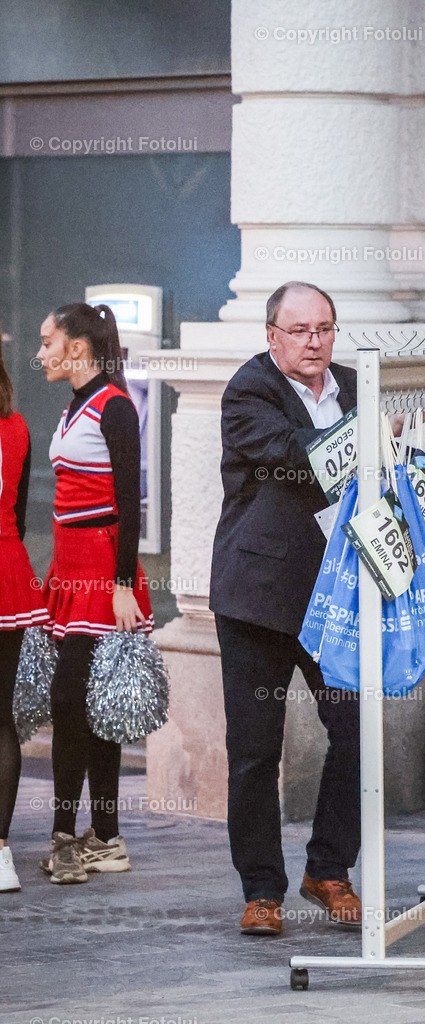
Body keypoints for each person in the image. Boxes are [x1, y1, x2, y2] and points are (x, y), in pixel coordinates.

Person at [210, 281, 361, 936]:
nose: (313, 342)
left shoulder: (355, 385)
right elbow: (297, 460)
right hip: (259, 598)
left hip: (336, 598)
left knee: (356, 733)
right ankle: (261, 892)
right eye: (298, 330)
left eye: (323, 328)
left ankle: (327, 869)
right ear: (272, 336)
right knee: (253, 750)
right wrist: (368, 437)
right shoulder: (248, 391)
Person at [36, 303, 154, 884]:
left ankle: (70, 837)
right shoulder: (75, 404)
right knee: (85, 705)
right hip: (70, 569)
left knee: (76, 703)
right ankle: (104, 837)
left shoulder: (116, 406)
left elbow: (131, 503)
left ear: (77, 347)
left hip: (103, 576)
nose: (41, 353)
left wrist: (124, 585)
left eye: (48, 341)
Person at [0, 342, 50, 892]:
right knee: (1, 721)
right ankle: (1, 856)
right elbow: (14, 511)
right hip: (7, 572)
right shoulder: (15, 427)